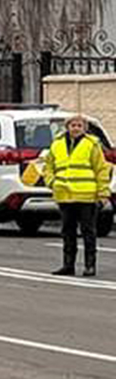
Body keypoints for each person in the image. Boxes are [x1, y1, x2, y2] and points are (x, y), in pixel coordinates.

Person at [41, 115, 111, 277]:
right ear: (67, 127)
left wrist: (103, 193)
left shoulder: (91, 145)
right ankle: (68, 265)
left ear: (84, 128)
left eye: (79, 125)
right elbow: (48, 166)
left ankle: (89, 265)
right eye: (73, 125)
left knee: (88, 232)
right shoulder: (57, 145)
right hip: (65, 196)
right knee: (67, 232)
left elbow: (101, 169)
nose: (76, 128)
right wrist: (52, 182)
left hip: (86, 196)